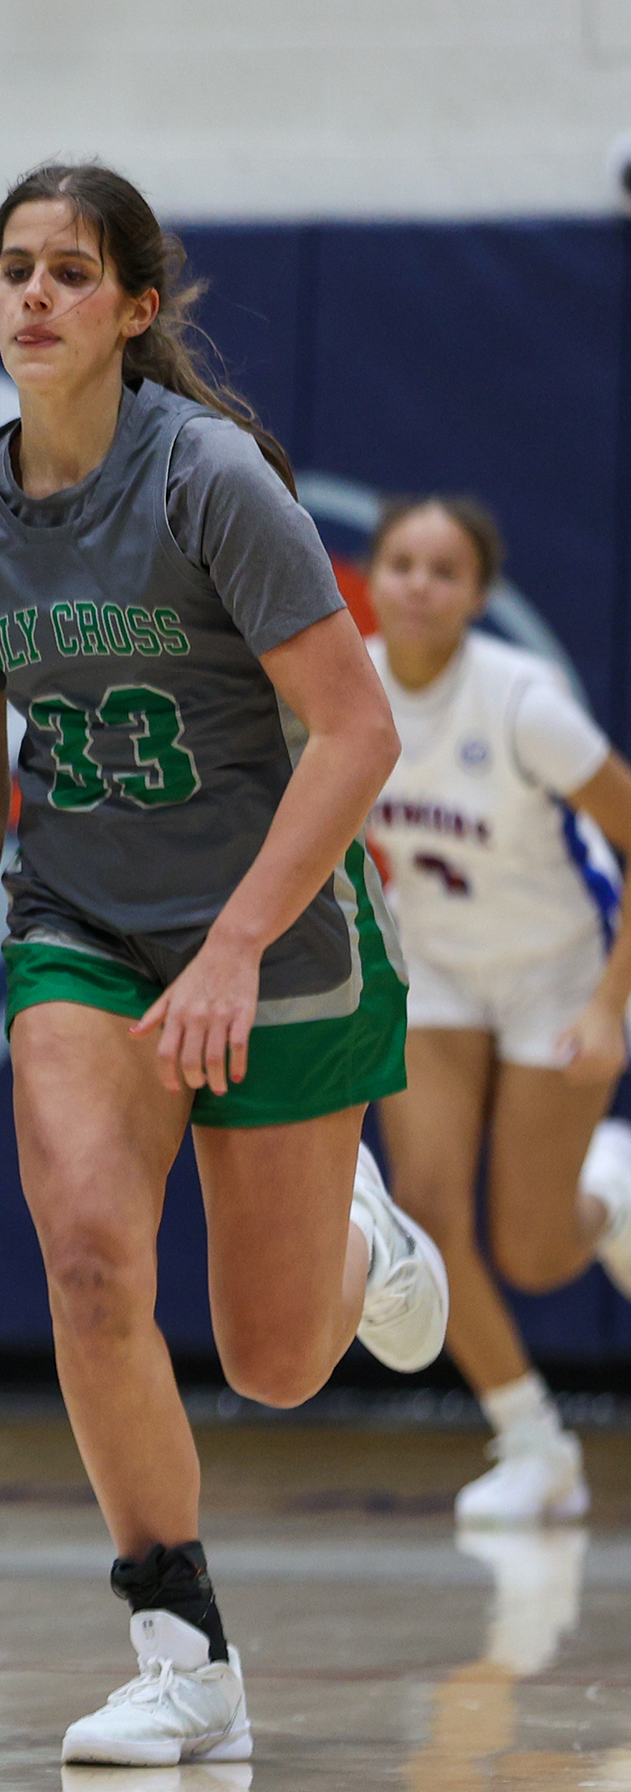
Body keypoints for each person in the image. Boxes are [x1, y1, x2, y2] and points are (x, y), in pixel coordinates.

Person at [0, 161, 451, 1767]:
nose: (36, 297)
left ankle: (363, 1236)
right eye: (15, 269)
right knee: (86, 1261)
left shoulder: (207, 480)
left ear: (136, 310)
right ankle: (178, 1646)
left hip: (275, 935)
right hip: (87, 932)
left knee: (277, 1364)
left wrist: (232, 948)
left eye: (73, 272)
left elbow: (359, 736)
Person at [362, 493, 631, 1525]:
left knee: (535, 1248)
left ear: (478, 593)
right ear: (375, 578)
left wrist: (610, 1007)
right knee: (428, 1206)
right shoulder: (347, 690)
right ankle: (532, 1440)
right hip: (434, 966)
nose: (421, 584)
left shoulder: (524, 701)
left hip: (557, 970)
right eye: (402, 564)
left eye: (444, 569)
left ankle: (608, 1185)